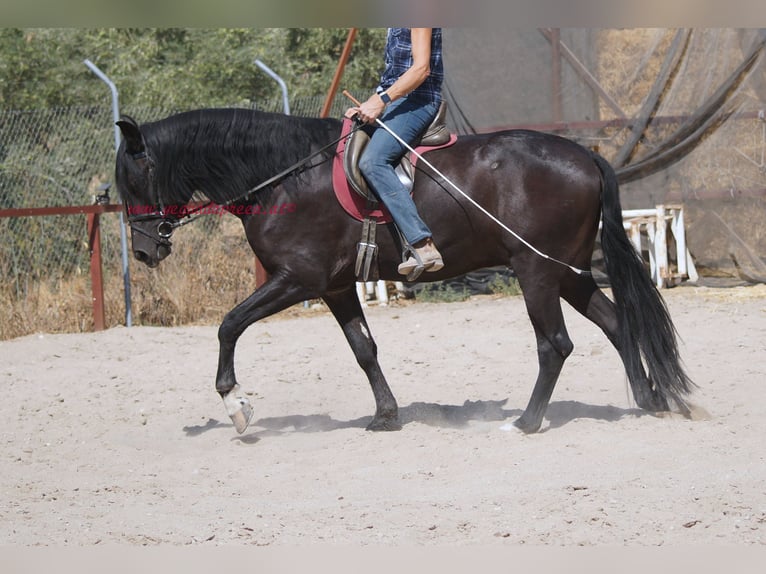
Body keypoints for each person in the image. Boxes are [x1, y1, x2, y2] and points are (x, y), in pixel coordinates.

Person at [346, 27, 445, 277]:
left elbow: (421, 69)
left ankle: (423, 244)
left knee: (374, 161)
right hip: (396, 101)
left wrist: (380, 102)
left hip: (419, 101)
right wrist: (370, 102)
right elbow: (393, 78)